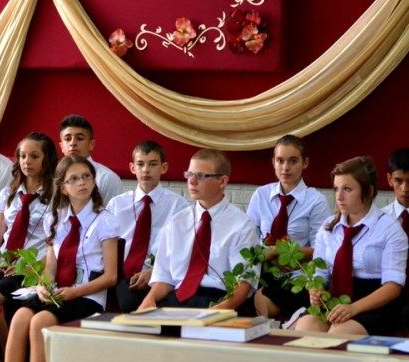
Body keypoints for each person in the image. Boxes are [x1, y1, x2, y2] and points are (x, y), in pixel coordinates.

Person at [0, 156, 119, 362]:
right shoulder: (55, 218)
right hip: (59, 292)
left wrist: (74, 292)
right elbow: (51, 266)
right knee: (20, 317)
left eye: (86, 176)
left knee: (39, 322)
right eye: (74, 179)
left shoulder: (105, 219)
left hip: (87, 295)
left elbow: (110, 276)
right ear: (63, 187)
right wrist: (43, 286)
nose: (82, 183)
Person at [0, 132, 58, 362]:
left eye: (34, 156)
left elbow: (54, 243)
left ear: (46, 159)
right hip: (3, 265)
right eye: (22, 156)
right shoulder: (9, 193)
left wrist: (30, 265)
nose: (27, 161)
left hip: (31, 268)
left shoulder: (56, 195)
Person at [294, 157, 407, 335]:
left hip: (373, 304)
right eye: (336, 189)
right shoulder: (328, 226)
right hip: (334, 301)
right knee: (305, 328)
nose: (339, 197)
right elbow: (320, 272)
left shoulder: (389, 229)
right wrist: (315, 289)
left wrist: (353, 308)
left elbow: (393, 286)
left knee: (339, 334)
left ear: (368, 190)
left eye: (347, 189)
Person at [138, 149, 260, 311]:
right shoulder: (177, 222)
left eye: (201, 176)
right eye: (189, 175)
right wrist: (149, 301)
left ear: (222, 181)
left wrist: (217, 312)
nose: (192, 181)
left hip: (220, 298)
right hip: (180, 296)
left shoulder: (242, 225)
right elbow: (164, 277)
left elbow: (243, 283)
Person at [246, 135, 331, 318]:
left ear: (305, 163)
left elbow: (322, 250)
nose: (285, 167)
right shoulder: (261, 195)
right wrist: (267, 254)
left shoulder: (316, 201)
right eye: (280, 161)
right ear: (273, 162)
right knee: (242, 295)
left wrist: (284, 253)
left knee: (263, 300)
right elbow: (248, 240)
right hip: (263, 271)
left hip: (297, 276)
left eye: (293, 161)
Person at [107, 140, 189, 312]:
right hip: (122, 275)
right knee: (128, 301)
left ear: (164, 167)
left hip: (159, 276)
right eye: (140, 164)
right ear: (132, 168)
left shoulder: (179, 206)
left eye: (152, 164)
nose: (146, 170)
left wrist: (154, 272)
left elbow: (183, 251)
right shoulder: (116, 204)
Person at [58, 114, 122, 205]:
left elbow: (111, 213)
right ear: (61, 146)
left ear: (91, 144)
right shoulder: (53, 177)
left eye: (80, 138)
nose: (73, 143)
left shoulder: (107, 178)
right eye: (67, 139)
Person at [382, 148, 409, 327]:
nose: (405, 189)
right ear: (389, 179)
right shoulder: (380, 219)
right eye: (399, 181)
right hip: (387, 293)